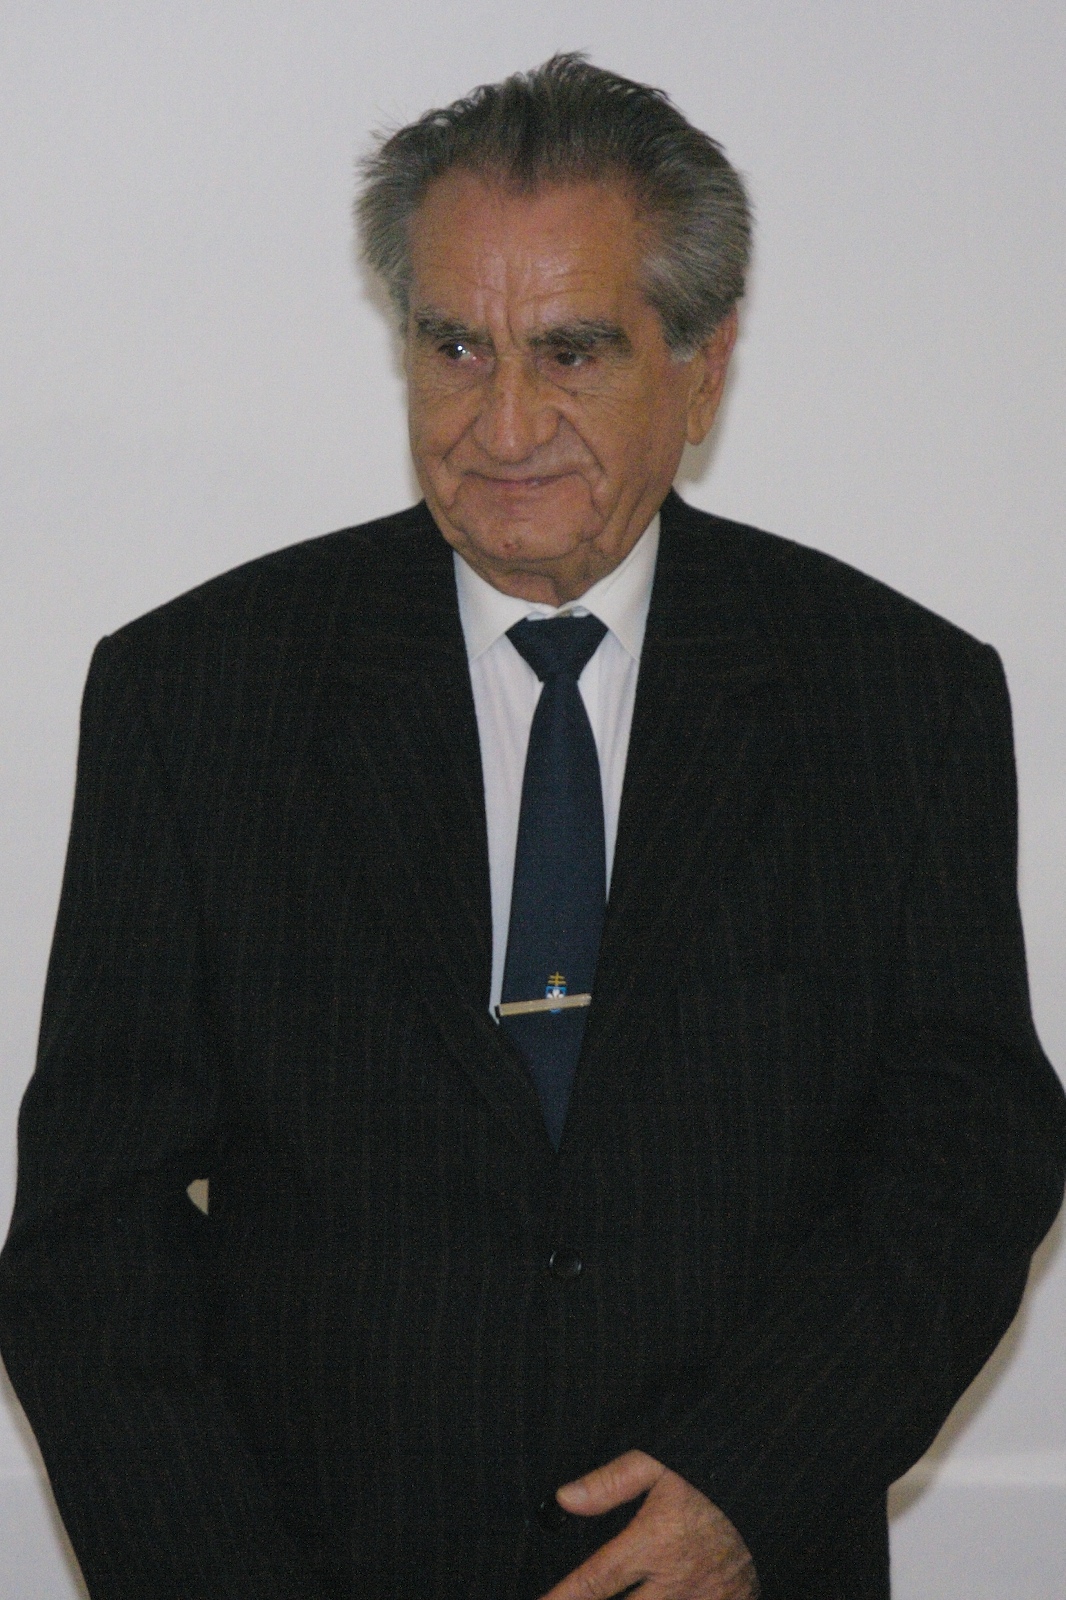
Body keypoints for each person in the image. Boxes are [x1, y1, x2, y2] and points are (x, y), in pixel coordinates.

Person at [1, 52, 1063, 1600]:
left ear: (699, 368)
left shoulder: (894, 699)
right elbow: (91, 1237)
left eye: (569, 351)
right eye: (454, 346)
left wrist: (756, 1475)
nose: (501, 426)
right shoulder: (199, 695)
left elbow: (966, 1158)